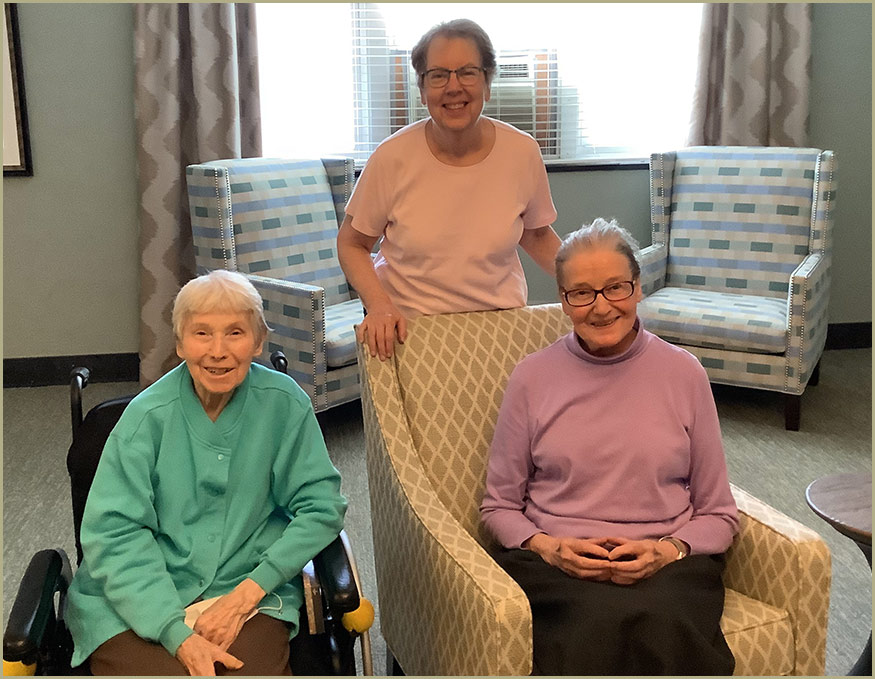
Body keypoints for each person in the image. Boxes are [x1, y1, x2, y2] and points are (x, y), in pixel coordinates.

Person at [479, 218, 739, 675]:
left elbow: (719, 514)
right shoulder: (531, 377)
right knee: (593, 625)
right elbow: (498, 507)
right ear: (562, 301)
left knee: (662, 623)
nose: (601, 308)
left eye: (616, 288)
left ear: (638, 289)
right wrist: (547, 546)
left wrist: (667, 549)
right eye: (581, 293)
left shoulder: (684, 374)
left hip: (666, 563)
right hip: (557, 565)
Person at [65, 270, 347, 676]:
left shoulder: (286, 406)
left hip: (248, 587)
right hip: (138, 593)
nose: (218, 351)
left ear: (259, 341)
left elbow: (321, 507)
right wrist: (174, 632)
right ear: (179, 344)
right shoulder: (145, 419)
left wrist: (248, 593)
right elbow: (115, 533)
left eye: (235, 332)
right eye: (201, 334)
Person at [337, 18, 561, 361]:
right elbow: (353, 243)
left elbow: (536, 235)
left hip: (500, 327)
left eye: (468, 72)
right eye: (438, 75)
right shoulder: (391, 157)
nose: (453, 87)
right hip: (410, 331)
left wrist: (590, 285)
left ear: (487, 83)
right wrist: (378, 306)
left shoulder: (522, 152)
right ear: (423, 90)